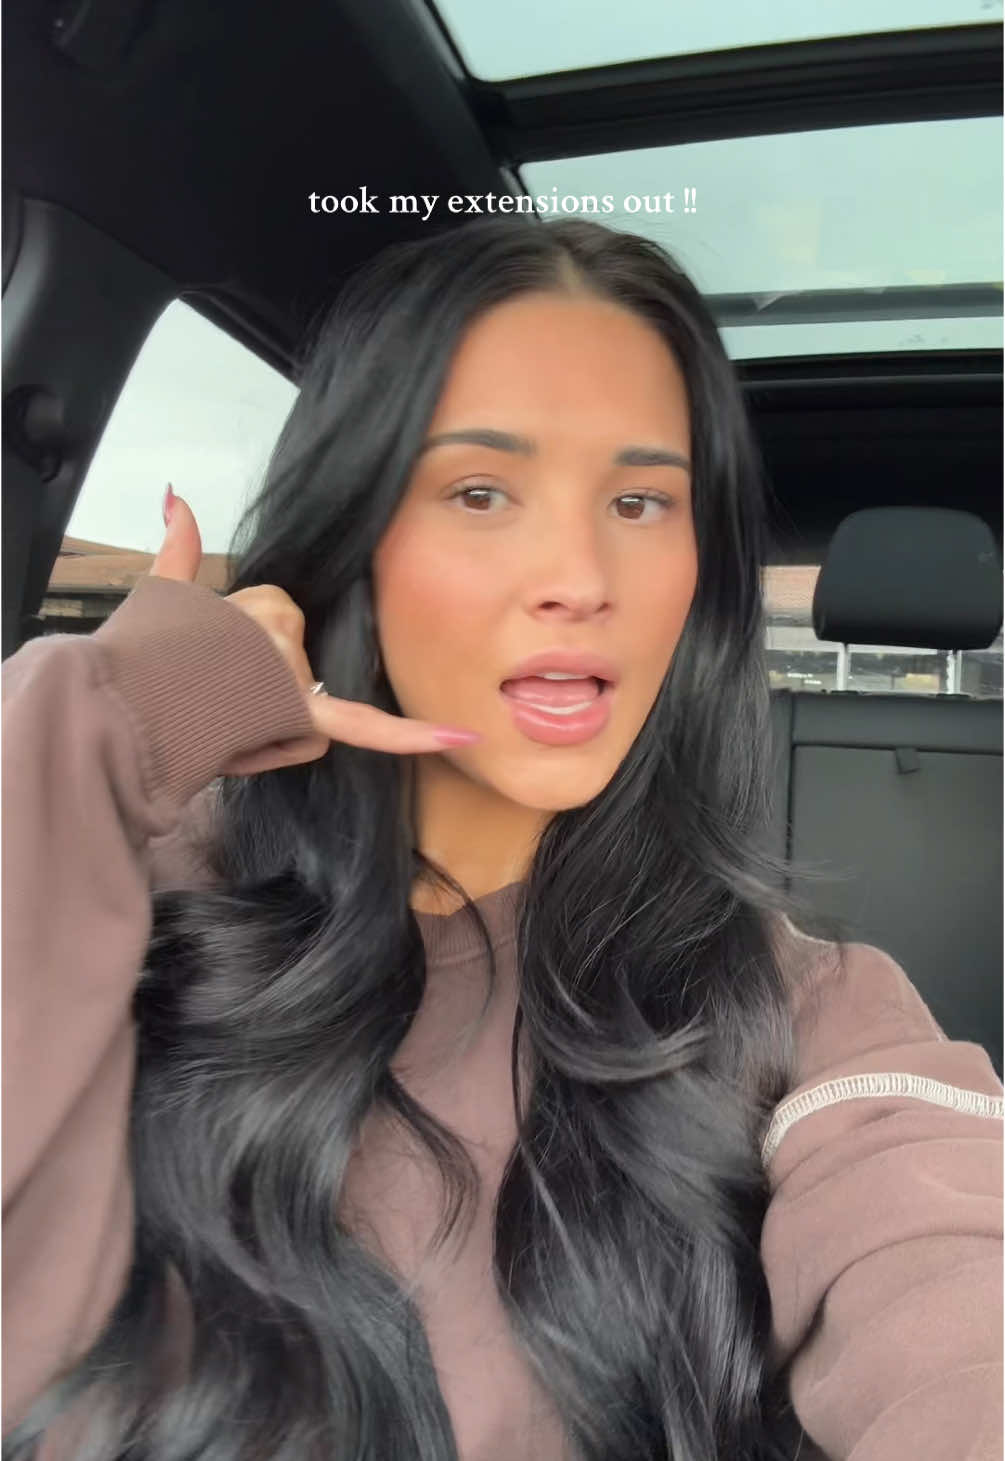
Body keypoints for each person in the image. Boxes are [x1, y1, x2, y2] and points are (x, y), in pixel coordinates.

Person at [2, 215, 1001, 1461]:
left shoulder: (807, 1009)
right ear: (360, 531)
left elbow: (952, 1278)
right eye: (481, 492)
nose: (580, 574)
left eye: (640, 500)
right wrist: (132, 710)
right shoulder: (121, 893)